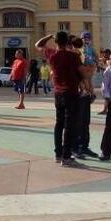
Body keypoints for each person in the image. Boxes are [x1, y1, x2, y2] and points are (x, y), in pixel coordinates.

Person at [48, 31, 87, 167]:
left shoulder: (52, 55)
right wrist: (83, 82)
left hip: (58, 93)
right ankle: (66, 156)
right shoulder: (73, 56)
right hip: (71, 92)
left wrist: (49, 36)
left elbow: (38, 45)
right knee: (70, 125)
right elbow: (83, 71)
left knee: (59, 124)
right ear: (68, 43)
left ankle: (58, 154)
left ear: (56, 42)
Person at [72, 37, 98, 159]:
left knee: (85, 122)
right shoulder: (73, 58)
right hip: (77, 94)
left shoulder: (84, 56)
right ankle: (75, 148)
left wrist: (91, 91)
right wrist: (91, 68)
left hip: (85, 94)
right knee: (77, 123)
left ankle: (84, 146)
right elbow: (83, 74)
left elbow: (88, 76)